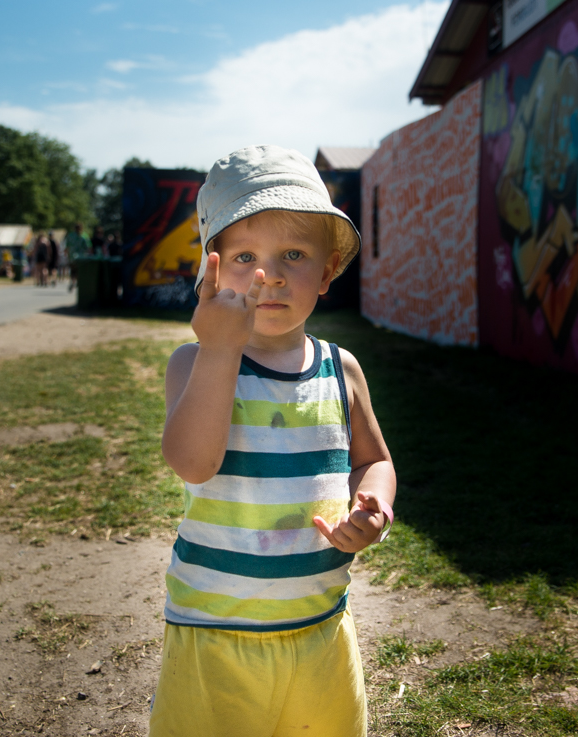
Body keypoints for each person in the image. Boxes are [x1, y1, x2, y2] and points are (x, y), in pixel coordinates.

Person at [152, 145, 396, 737]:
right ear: (210, 270)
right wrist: (219, 349)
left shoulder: (343, 370)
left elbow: (374, 459)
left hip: (319, 627)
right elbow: (192, 463)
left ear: (327, 272)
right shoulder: (195, 363)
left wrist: (374, 506)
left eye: (293, 254)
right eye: (243, 257)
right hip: (215, 634)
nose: (271, 276)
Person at [63, 222, 90, 292]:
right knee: (78, 271)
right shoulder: (84, 235)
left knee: (73, 270)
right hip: (81, 257)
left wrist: (66, 254)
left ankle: (73, 281)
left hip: (73, 257)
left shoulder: (71, 235)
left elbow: (67, 246)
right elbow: (88, 247)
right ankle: (76, 282)